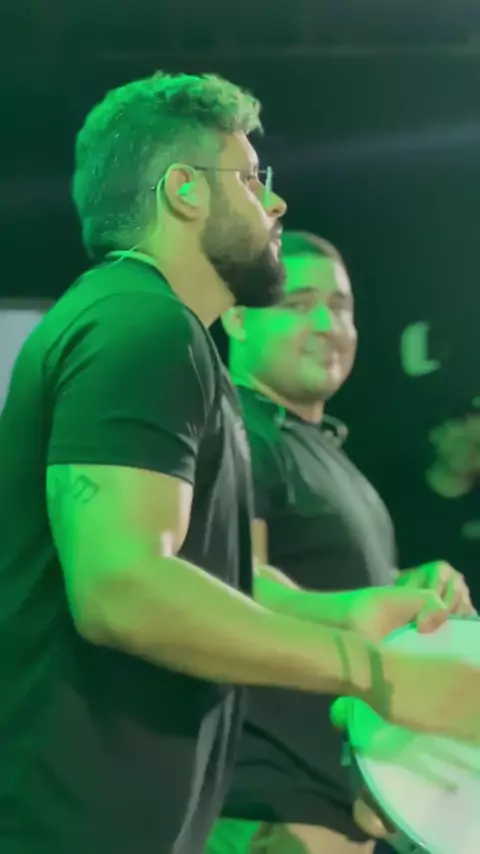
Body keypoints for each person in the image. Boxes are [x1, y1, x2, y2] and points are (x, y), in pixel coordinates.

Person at [0, 76, 477, 854]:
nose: (275, 203)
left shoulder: (151, 329)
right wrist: (375, 673)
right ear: (185, 190)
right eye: (253, 180)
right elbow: (120, 587)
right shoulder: (141, 321)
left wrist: (349, 613)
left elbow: (204, 576)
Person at [207, 230, 476, 854]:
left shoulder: (319, 448)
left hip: (333, 805)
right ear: (238, 319)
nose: (328, 324)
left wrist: (404, 589)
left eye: (341, 306)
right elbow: (231, 582)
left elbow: (322, 585)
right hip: (271, 811)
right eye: (297, 305)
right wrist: (358, 609)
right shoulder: (240, 431)